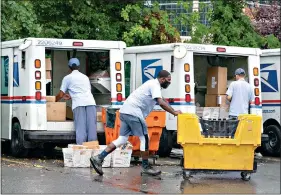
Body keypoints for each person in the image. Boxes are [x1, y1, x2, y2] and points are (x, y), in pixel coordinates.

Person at [90, 70, 182, 176]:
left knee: (122, 139)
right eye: (168, 80)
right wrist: (174, 113)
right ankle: (145, 167)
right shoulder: (154, 85)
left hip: (125, 111)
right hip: (133, 113)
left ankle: (98, 158)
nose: (169, 83)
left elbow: (162, 100)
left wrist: (174, 110)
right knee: (144, 138)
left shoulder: (153, 85)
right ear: (162, 79)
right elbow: (161, 103)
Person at [56, 58, 97, 145]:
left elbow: (60, 94)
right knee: (92, 128)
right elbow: (86, 91)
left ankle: (82, 150)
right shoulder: (85, 77)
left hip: (79, 104)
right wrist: (72, 95)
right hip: (90, 102)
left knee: (81, 128)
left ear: (69, 67)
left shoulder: (67, 78)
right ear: (79, 67)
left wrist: (52, 102)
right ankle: (92, 148)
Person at [226, 68, 254, 136]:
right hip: (244, 115)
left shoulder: (233, 84)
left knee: (232, 135)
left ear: (237, 75)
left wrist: (230, 100)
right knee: (242, 135)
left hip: (234, 114)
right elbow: (251, 100)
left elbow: (228, 97)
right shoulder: (249, 86)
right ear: (243, 76)